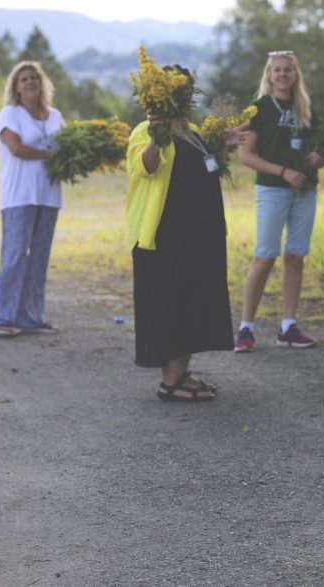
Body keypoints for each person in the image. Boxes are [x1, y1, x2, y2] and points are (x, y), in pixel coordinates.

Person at [126, 65, 246, 401]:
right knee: (169, 304)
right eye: (177, 87)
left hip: (200, 234)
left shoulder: (193, 131)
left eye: (187, 87)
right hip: (164, 235)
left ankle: (182, 374)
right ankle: (170, 382)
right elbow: (145, 167)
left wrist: (223, 148)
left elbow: (207, 171)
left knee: (193, 303)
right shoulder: (146, 130)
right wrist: (155, 138)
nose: (184, 93)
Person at [233, 51, 324, 353]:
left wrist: (318, 158)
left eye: (287, 70)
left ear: (295, 74)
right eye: (277, 70)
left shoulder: (306, 110)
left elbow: (321, 147)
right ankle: (245, 328)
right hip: (273, 189)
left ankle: (288, 326)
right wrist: (283, 171)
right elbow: (246, 156)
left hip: (304, 190)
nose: (283, 75)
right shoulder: (259, 109)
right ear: (269, 75)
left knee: (295, 257)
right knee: (264, 257)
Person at [0, 61, 64, 336]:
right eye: (24, 79)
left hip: (49, 195)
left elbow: (67, 146)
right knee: (16, 254)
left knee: (39, 258)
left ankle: (31, 318)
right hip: (19, 195)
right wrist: (51, 155)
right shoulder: (10, 113)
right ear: (16, 87)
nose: (30, 82)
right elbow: (16, 148)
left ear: (42, 82)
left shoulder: (55, 115)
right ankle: (1, 317)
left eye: (34, 77)